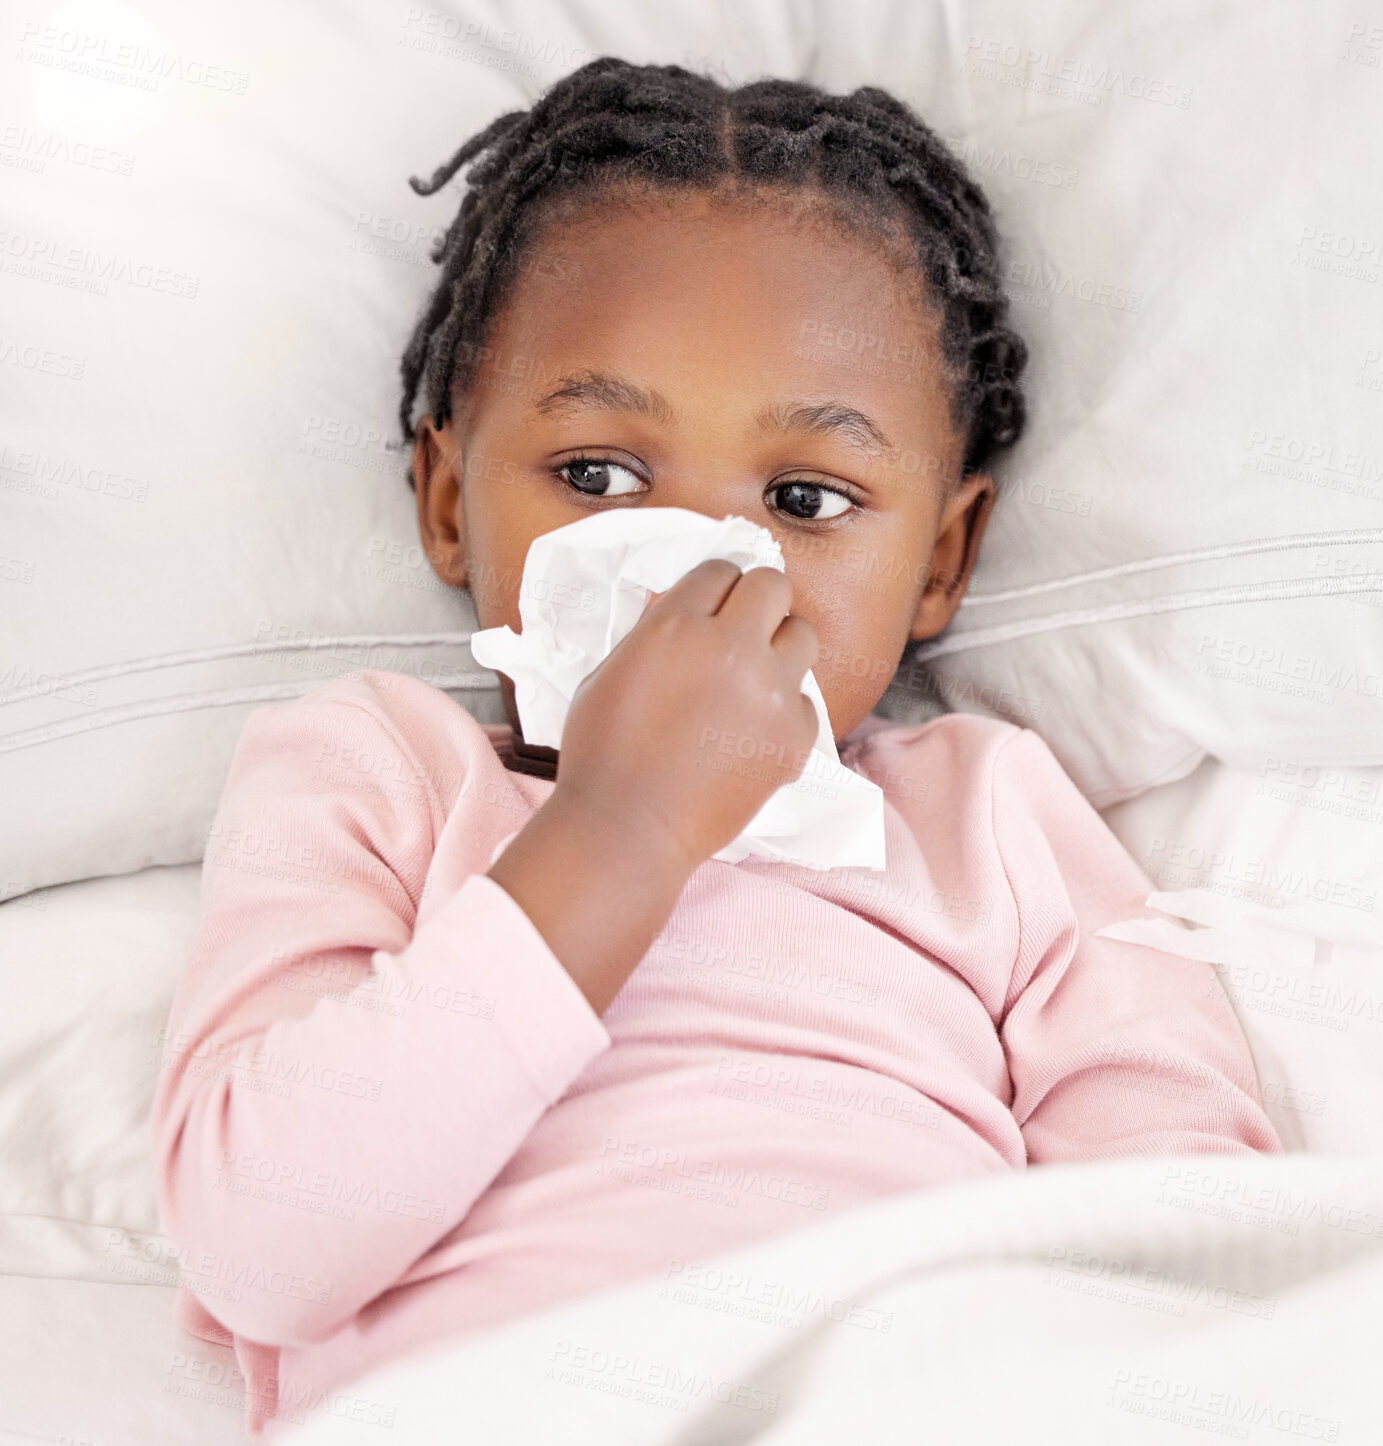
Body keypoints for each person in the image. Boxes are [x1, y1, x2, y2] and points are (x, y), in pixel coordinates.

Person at [151, 57, 1281, 1439]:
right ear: (449, 499)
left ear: (944, 559)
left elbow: (1189, 1244)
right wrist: (619, 826)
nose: (692, 562)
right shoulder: (374, 772)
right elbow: (260, 1246)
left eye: (806, 498)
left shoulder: (985, 811)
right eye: (598, 475)